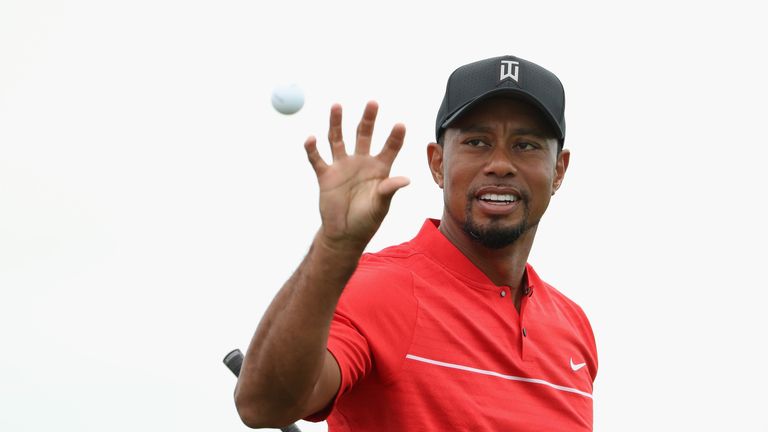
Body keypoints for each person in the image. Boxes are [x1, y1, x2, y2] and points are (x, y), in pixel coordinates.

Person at [234, 55, 598, 431]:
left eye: (525, 145)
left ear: (559, 171)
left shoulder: (574, 328)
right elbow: (263, 406)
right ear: (437, 163)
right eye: (477, 142)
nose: (500, 164)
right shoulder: (379, 289)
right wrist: (333, 246)